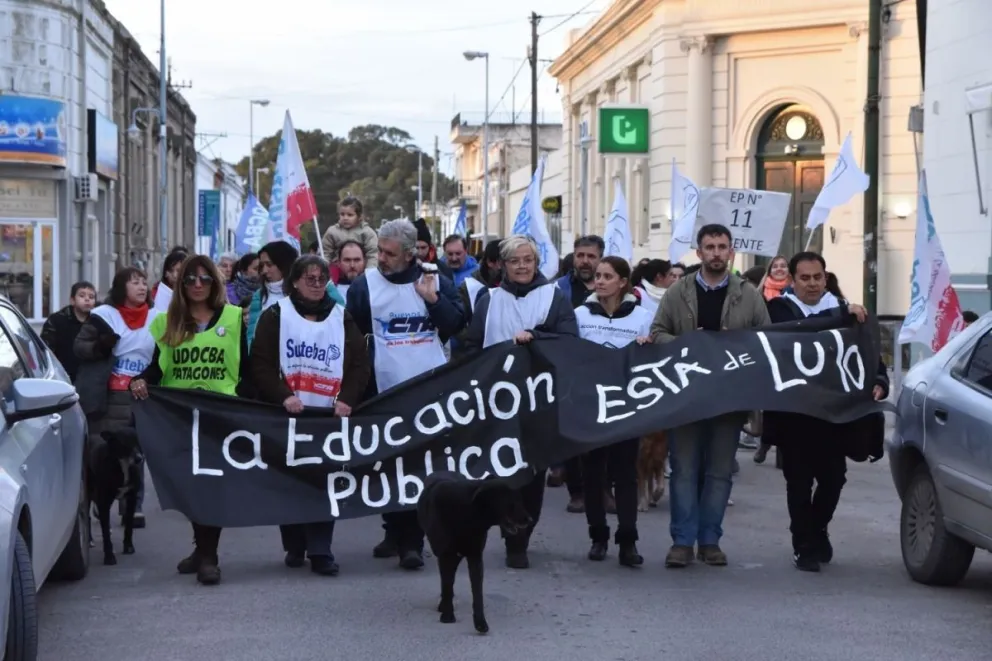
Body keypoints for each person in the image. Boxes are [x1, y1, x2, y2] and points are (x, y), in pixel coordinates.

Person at [346, 218, 465, 569]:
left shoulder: (435, 280)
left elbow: (456, 325)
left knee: (418, 467)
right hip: (382, 392)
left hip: (427, 392)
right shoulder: (363, 286)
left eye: (389, 253)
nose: (381, 258)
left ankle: (413, 540)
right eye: (379, 251)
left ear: (411, 254)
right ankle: (393, 530)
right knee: (386, 466)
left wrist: (432, 301)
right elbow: (352, 340)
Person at [650, 223, 771, 569]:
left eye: (722, 247)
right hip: (686, 397)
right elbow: (657, 333)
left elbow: (765, 342)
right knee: (685, 470)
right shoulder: (678, 292)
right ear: (699, 252)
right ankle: (682, 542)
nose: (716, 253)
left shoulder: (748, 294)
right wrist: (690, 345)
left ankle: (710, 541)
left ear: (731, 252)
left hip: (728, 399)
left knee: (719, 472)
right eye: (710, 247)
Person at [762, 251, 888, 572]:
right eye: (804, 278)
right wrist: (843, 314)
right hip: (796, 415)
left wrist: (879, 380)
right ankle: (803, 544)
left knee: (834, 479)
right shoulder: (778, 311)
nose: (812, 284)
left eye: (818, 277)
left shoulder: (845, 310)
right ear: (792, 280)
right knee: (799, 482)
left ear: (825, 276)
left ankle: (817, 528)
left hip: (836, 417)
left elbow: (869, 353)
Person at [128, 255, 247, 585]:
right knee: (192, 486)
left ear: (214, 283)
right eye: (190, 279)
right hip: (179, 418)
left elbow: (246, 370)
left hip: (219, 416)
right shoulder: (168, 322)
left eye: (204, 279)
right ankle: (201, 548)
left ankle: (210, 556)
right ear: (180, 285)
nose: (197, 285)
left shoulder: (235, 319)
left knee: (211, 485)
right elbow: (157, 367)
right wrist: (139, 380)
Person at [250, 255, 370, 577]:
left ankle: (321, 550)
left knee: (323, 482)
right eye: (310, 279)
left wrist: (347, 398)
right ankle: (294, 544)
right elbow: (260, 363)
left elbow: (360, 363)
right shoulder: (275, 315)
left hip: (327, 417)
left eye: (322, 279)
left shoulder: (342, 318)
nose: (317, 285)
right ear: (295, 282)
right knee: (289, 481)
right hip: (288, 414)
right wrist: (283, 395)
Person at [463, 234, 578, 569]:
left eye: (528, 259)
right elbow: (473, 345)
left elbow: (570, 340)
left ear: (536, 262)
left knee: (531, 471)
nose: (522, 266)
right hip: (496, 401)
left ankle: (521, 535)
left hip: (538, 401)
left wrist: (537, 337)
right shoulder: (489, 299)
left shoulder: (553, 297)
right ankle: (507, 527)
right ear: (503, 265)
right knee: (500, 469)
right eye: (515, 261)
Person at [574, 256, 653, 567]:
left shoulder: (642, 317)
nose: (600, 281)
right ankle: (598, 536)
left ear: (623, 282)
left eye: (608, 276)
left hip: (626, 407)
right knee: (593, 474)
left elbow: (654, 358)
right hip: (591, 406)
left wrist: (650, 345)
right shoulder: (580, 315)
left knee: (625, 474)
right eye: (598, 275)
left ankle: (628, 540)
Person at [74, 267, 162, 529]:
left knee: (136, 451)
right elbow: (80, 348)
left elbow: (163, 357)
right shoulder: (103, 316)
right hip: (106, 397)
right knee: (103, 452)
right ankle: (98, 501)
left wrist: (148, 376)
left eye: (144, 282)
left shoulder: (158, 318)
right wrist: (100, 345)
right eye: (135, 282)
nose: (142, 287)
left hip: (141, 396)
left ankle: (133, 505)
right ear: (121, 287)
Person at [552, 235, 604, 513]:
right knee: (571, 435)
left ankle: (603, 490)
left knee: (604, 435)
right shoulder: (558, 289)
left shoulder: (612, 284)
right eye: (580, 255)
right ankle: (578, 492)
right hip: (569, 371)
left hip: (603, 372)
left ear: (600, 258)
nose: (584, 261)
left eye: (591, 256)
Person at [245, 241, 344, 349]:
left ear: (283, 264)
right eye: (261, 265)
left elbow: (340, 314)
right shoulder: (260, 296)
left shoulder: (310, 289)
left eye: (269, 265)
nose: (264, 270)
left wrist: (327, 285)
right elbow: (252, 336)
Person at [41, 281, 96, 383]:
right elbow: (46, 350)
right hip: (62, 377)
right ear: (72, 300)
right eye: (82, 295)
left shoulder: (97, 321)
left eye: (91, 297)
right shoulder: (57, 320)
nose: (87, 299)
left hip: (89, 379)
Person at [320, 196, 379, 269]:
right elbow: (325, 253)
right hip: (337, 273)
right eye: (342, 214)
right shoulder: (332, 232)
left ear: (359, 216)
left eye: (350, 215)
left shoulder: (367, 232)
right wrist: (323, 269)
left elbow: (373, 254)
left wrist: (369, 273)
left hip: (361, 273)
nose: (345, 218)